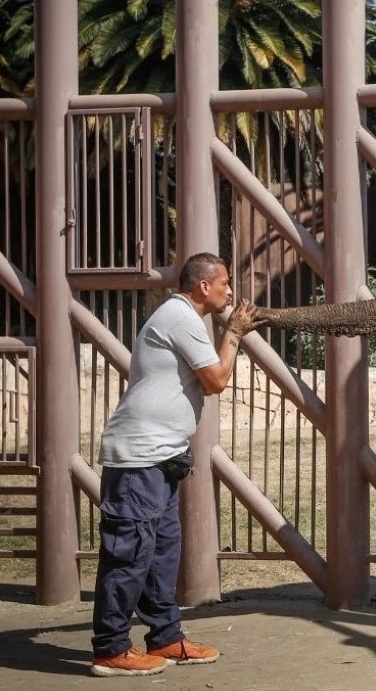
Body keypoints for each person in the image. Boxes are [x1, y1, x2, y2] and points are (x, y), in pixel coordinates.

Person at [90, 252, 259, 677]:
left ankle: (165, 637)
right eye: (224, 283)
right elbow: (217, 380)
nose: (230, 291)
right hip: (138, 458)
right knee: (128, 554)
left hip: (162, 456)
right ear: (203, 286)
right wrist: (234, 333)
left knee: (161, 553)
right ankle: (110, 648)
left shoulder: (184, 318)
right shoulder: (181, 316)